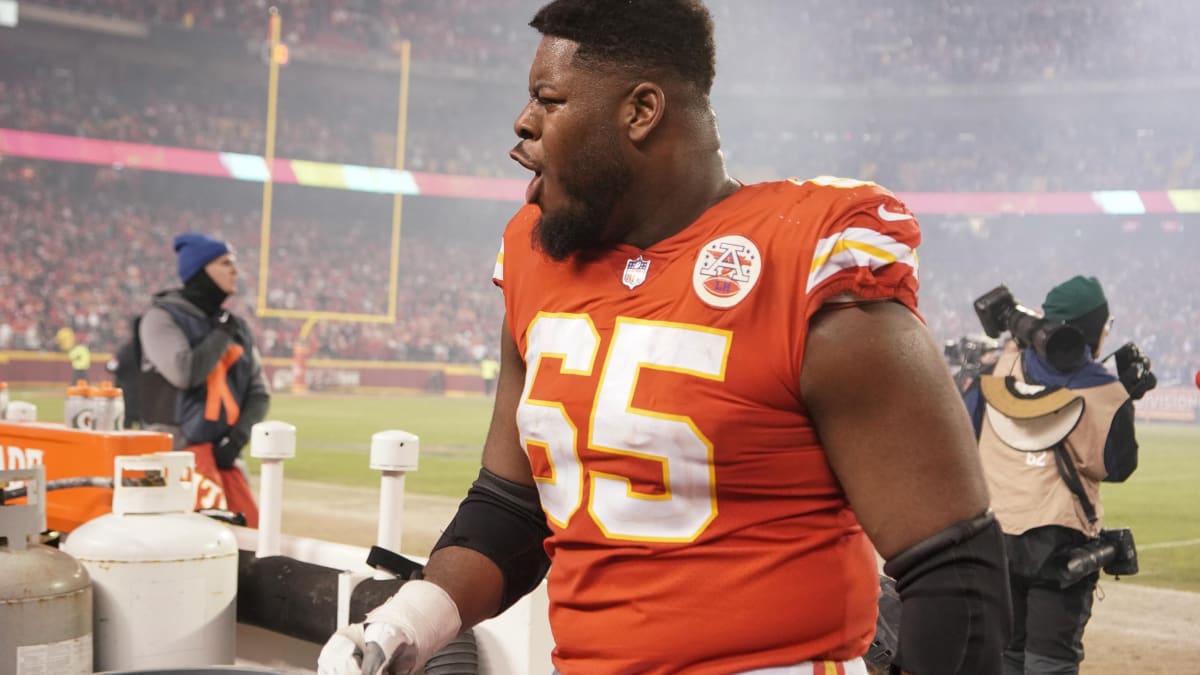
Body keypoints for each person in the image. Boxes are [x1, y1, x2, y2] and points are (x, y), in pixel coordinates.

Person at [319, 2, 1010, 674]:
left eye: (549, 99)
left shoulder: (805, 263)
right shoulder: (538, 261)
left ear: (641, 112)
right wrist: (407, 621)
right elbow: (511, 509)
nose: (521, 126)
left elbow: (955, 573)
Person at [962, 276, 1144, 675]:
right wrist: (1125, 397)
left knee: (1006, 655)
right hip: (1059, 547)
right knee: (1051, 662)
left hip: (996, 539)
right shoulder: (1106, 390)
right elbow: (1117, 466)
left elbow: (967, 437)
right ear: (1093, 331)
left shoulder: (997, 370)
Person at [139, 232, 270, 527]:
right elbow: (185, 372)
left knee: (244, 542)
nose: (235, 271)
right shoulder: (161, 318)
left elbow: (260, 392)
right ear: (202, 271)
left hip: (224, 461)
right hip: (174, 460)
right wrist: (221, 334)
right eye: (226, 263)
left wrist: (235, 441)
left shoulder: (236, 326)